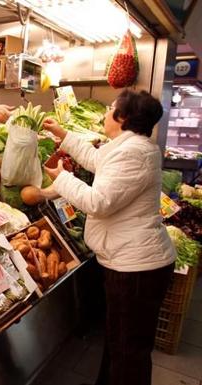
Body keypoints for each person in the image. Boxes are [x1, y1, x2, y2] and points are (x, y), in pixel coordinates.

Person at [40, 90, 176, 385]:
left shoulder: (134, 153)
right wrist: (63, 134)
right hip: (128, 260)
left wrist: (61, 179)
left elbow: (98, 202)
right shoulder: (128, 147)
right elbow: (96, 158)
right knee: (119, 341)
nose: (106, 112)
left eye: (111, 107)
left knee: (130, 350)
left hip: (137, 267)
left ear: (122, 117)